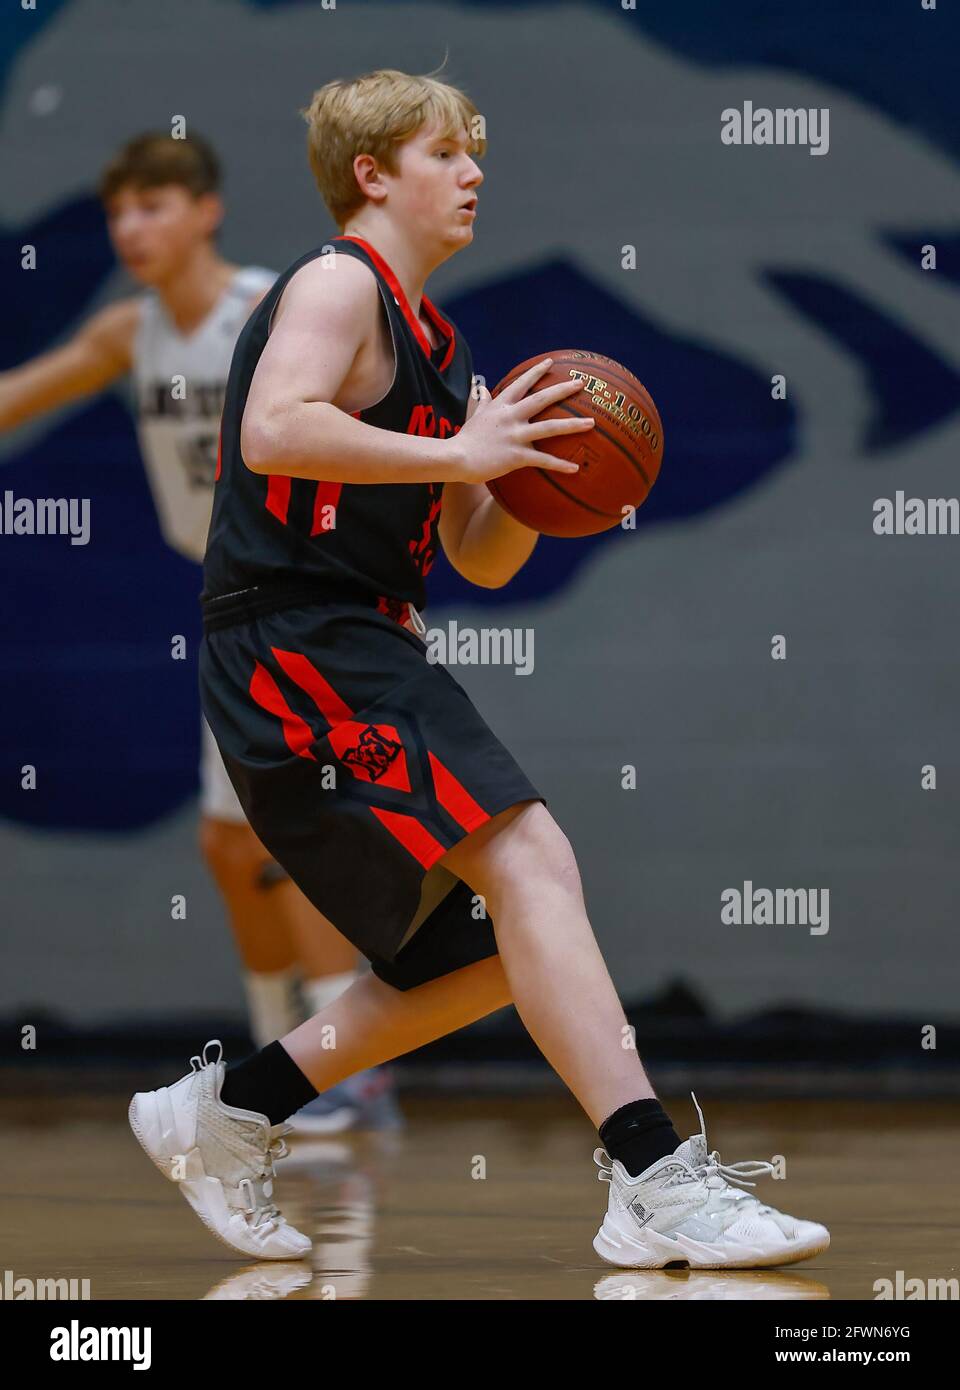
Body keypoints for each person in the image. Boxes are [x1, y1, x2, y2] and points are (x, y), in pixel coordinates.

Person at [129, 68, 830, 1267]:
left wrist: (527, 477)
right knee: (532, 853)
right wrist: (464, 444)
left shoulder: (439, 345)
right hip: (296, 638)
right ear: (373, 174)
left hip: (355, 642)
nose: (474, 174)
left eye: (476, 156)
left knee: (487, 956)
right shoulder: (337, 282)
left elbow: (482, 560)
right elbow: (272, 427)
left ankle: (229, 1109)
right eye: (449, 154)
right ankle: (657, 1175)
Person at [0, 131, 396, 1132]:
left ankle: (343, 1072)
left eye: (154, 206)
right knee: (230, 845)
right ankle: (285, 1062)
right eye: (120, 213)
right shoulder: (130, 333)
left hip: (309, 592)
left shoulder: (277, 308)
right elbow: (18, 397)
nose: (133, 229)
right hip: (235, 602)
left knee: (287, 833)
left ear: (205, 210)